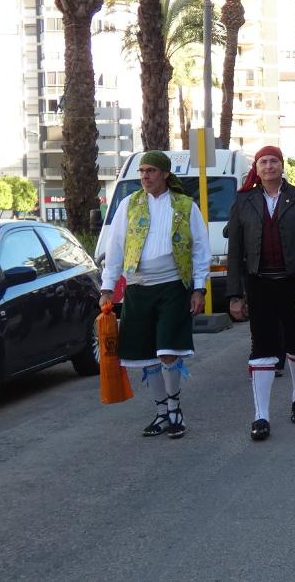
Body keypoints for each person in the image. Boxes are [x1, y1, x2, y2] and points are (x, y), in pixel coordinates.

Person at [99, 151, 211, 440]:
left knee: (167, 352)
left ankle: (175, 409)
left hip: (174, 286)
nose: (145, 176)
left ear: (165, 174)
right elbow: (115, 248)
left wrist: (199, 288)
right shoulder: (129, 205)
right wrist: (107, 287)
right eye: (142, 171)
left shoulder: (185, 206)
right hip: (138, 289)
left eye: (151, 171)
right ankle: (161, 412)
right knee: (147, 356)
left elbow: (200, 249)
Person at [226, 145, 295, 442]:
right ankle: (261, 416)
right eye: (263, 162)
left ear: (282, 167)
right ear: (256, 167)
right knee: (261, 348)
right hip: (259, 284)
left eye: (273, 161)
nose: (268, 166)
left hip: (294, 283)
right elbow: (235, 252)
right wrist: (235, 294)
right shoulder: (244, 201)